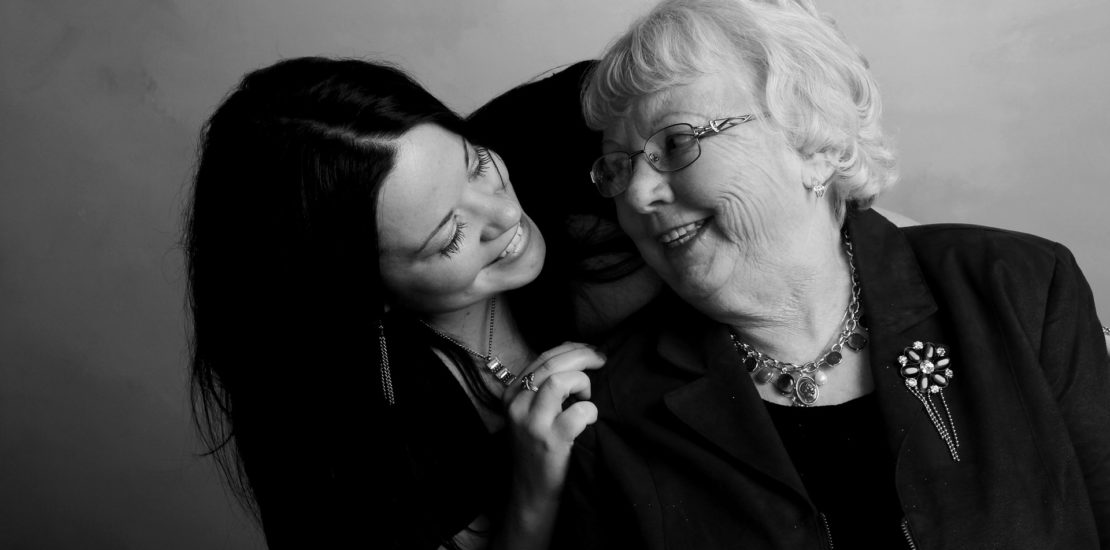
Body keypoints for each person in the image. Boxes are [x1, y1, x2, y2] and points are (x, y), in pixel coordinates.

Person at [554, 0, 1110, 548]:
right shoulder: (610, 411)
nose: (638, 193)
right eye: (618, 168)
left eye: (676, 143)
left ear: (814, 143)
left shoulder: (1017, 287)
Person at [183, 57, 605, 549]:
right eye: (449, 237)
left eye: (478, 165)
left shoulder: (528, 132)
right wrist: (534, 492)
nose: (507, 212)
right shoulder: (358, 437)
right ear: (366, 292)